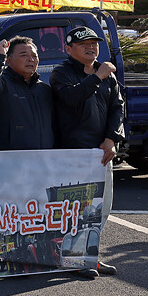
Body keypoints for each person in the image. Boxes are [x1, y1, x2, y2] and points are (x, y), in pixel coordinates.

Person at [51, 26, 126, 277]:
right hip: (74, 152)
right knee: (77, 208)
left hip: (102, 152)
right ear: (69, 49)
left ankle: (90, 256)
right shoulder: (61, 73)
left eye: (94, 43)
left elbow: (118, 108)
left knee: (101, 207)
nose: (91, 47)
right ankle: (72, 259)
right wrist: (98, 76)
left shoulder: (107, 75)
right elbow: (72, 98)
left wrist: (111, 139)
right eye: (84, 44)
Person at [0, 36, 53, 151]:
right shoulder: (3, 85)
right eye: (24, 55)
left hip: (44, 158)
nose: (31, 59)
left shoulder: (44, 89)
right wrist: (0, 55)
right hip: (12, 158)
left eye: (34, 56)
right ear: (8, 60)